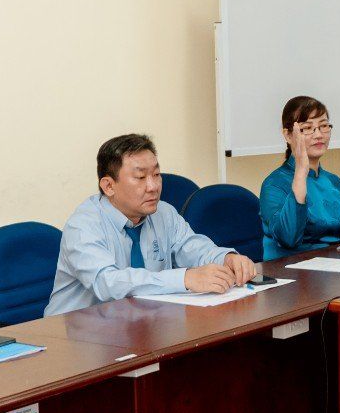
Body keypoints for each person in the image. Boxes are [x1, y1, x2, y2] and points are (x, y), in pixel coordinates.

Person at [43, 133, 258, 315]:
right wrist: (185, 279)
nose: (153, 186)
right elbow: (108, 283)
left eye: (156, 174)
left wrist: (226, 258)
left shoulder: (163, 212)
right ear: (108, 186)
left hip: (140, 325)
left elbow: (192, 247)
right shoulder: (83, 226)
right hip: (77, 337)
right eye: (140, 177)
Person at [259, 95, 340, 259]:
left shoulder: (335, 182)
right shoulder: (273, 185)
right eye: (308, 128)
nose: (318, 135)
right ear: (288, 135)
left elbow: (331, 233)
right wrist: (301, 172)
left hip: (336, 265)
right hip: (291, 269)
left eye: (323, 126)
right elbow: (288, 239)